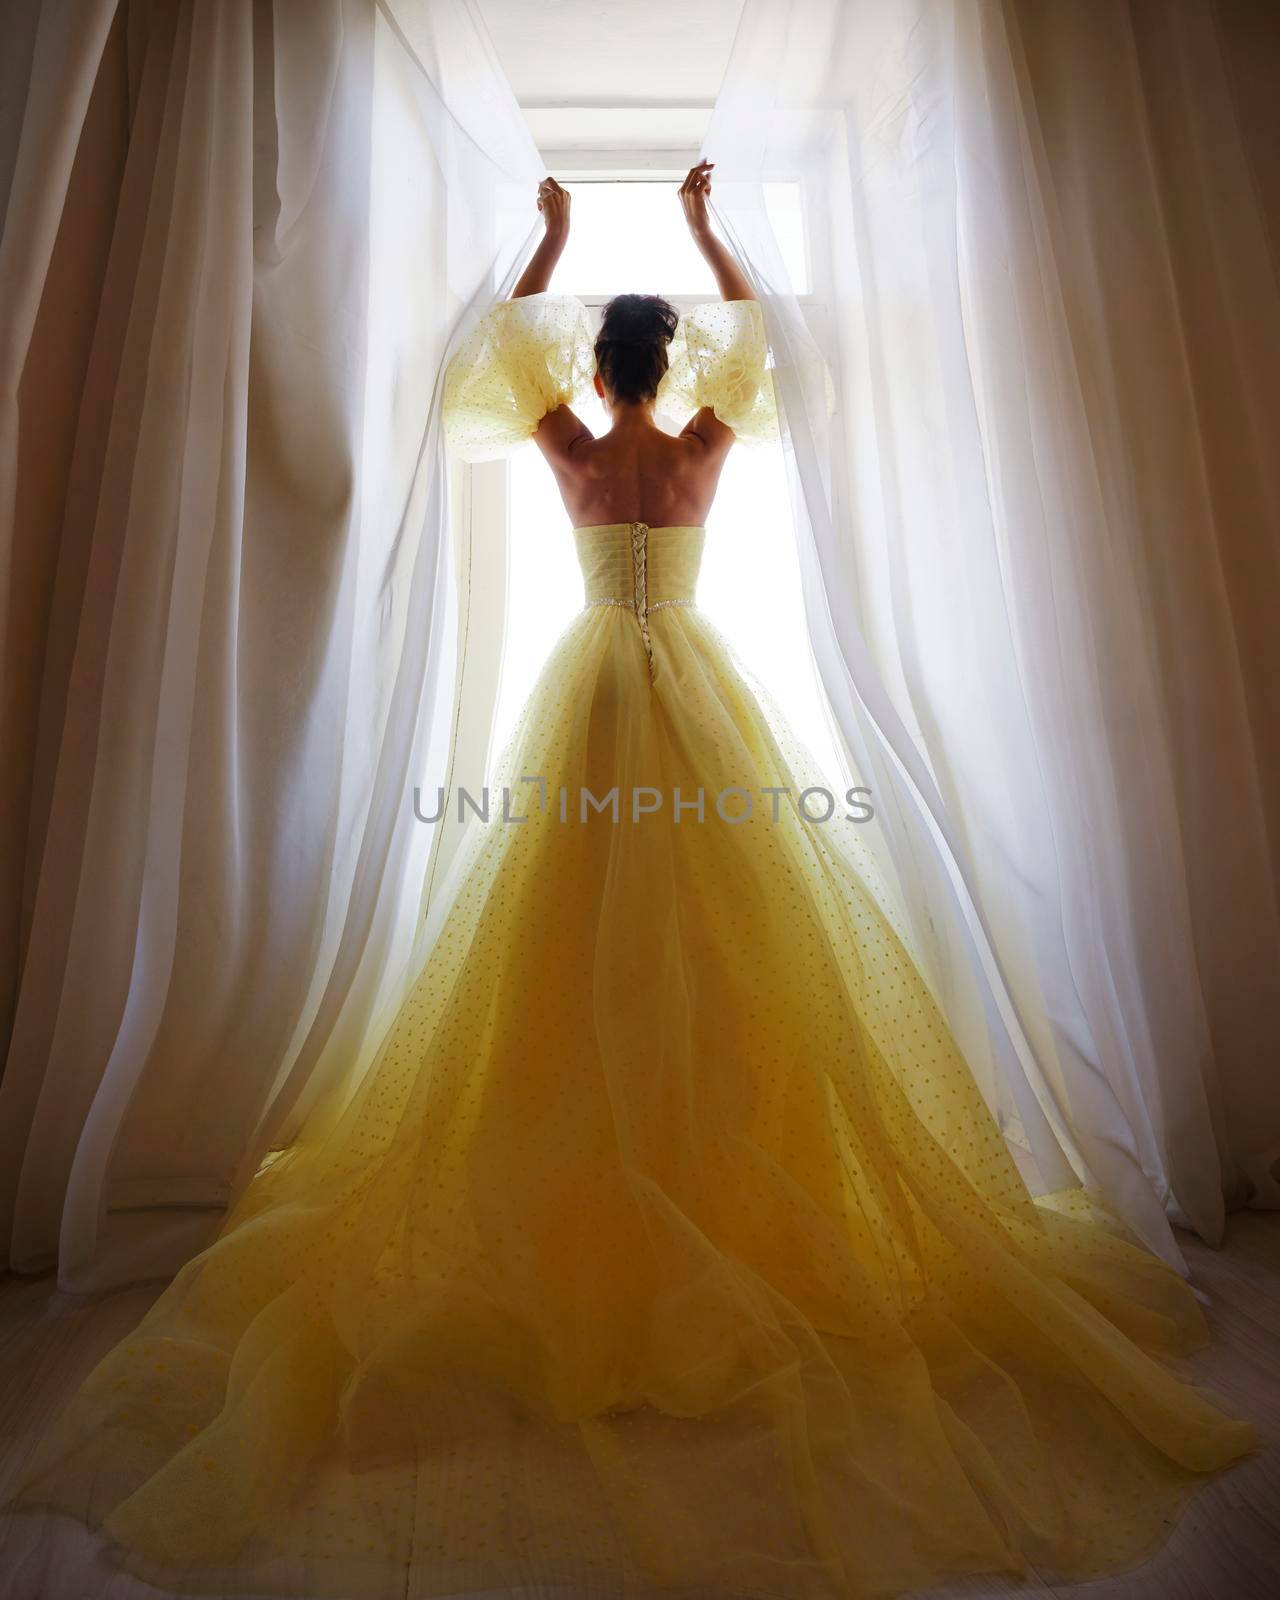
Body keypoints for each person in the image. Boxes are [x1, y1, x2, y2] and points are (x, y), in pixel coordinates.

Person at [4, 164, 1255, 1600]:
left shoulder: (581, 460)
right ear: (668, 369)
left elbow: (499, 345)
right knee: (720, 948)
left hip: (595, 696)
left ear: (600, 373)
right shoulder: (704, 454)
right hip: (697, 704)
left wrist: (544, 239)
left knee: (572, 939)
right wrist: (715, 232)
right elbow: (770, 341)